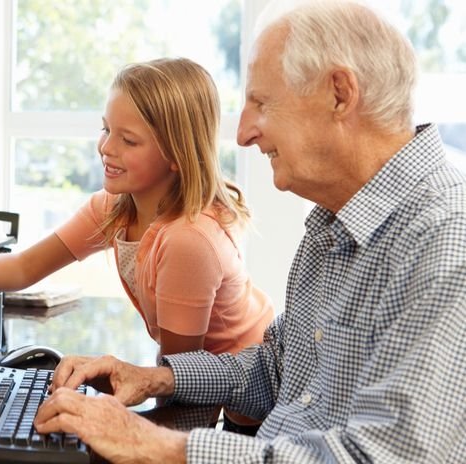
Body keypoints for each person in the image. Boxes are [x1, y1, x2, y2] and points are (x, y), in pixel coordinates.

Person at [32, 1, 466, 462]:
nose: (242, 134)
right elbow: (275, 370)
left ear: (340, 94)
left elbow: (386, 457)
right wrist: (155, 377)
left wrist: (157, 445)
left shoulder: (444, 240)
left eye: (261, 102)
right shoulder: (332, 225)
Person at [0, 57, 274, 431]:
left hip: (249, 405)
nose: (106, 147)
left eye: (129, 140)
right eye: (106, 129)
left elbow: (176, 379)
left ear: (176, 154)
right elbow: (24, 268)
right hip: (200, 384)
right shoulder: (116, 208)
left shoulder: (188, 239)